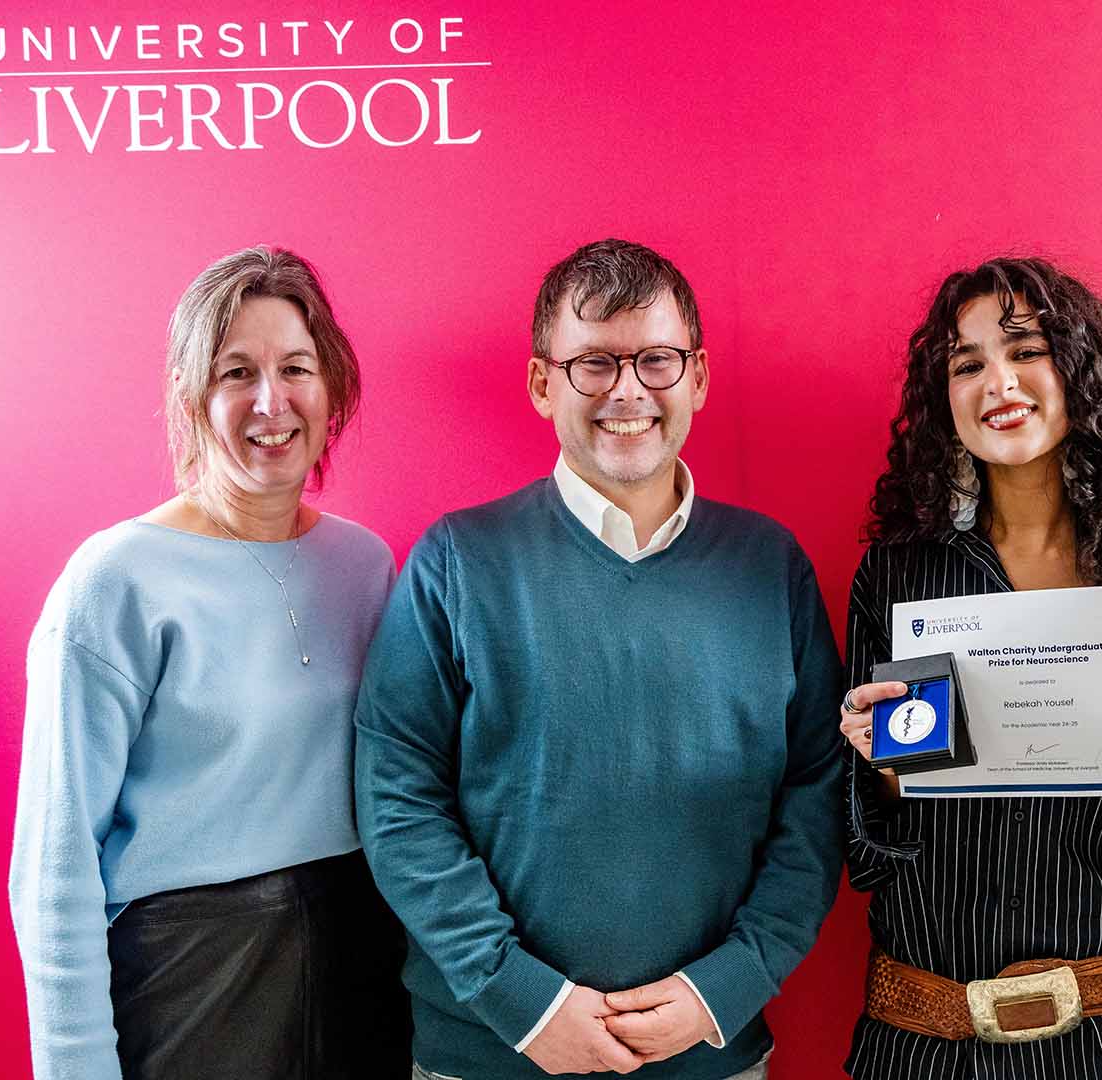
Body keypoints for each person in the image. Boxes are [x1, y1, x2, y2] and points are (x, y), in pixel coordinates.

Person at [354, 239, 844, 1080]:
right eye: (594, 363)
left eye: (657, 359)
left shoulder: (771, 567)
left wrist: (727, 986)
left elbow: (819, 791)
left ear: (698, 377)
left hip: (710, 1055)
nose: (628, 390)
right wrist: (519, 998)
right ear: (542, 383)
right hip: (488, 1056)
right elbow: (397, 794)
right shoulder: (457, 562)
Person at [7, 246, 410, 1079]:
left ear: (331, 388)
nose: (271, 401)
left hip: (361, 965)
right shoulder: (115, 580)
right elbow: (54, 866)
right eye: (237, 373)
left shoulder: (365, 565)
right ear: (191, 396)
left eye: (295, 368)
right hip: (191, 980)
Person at [836, 257, 1102, 1079]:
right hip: (929, 1039)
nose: (998, 383)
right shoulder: (900, 577)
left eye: (1026, 351)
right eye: (967, 364)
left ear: (1081, 372)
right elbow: (873, 857)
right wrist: (884, 769)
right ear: (942, 398)